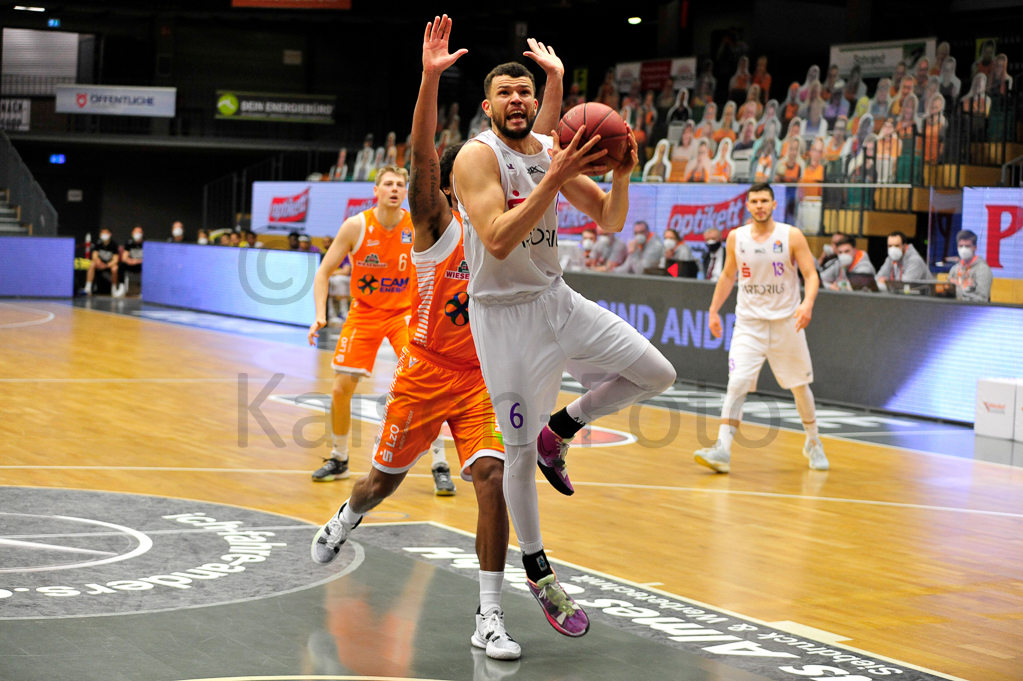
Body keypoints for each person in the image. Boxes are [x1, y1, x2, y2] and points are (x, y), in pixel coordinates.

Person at [311, 18, 555, 661]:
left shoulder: (511, 229)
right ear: (453, 192)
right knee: (379, 485)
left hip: (482, 379)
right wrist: (428, 80)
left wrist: (550, 86)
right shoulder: (437, 230)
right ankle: (348, 514)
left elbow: (538, 152)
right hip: (423, 374)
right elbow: (422, 158)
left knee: (494, 479)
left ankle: (490, 615)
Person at [452, 54, 675, 638]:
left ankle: (565, 428)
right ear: (488, 106)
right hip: (503, 321)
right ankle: (538, 568)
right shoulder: (477, 157)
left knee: (658, 372)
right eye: (506, 92)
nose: (518, 99)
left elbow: (608, 218)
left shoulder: (548, 151)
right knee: (516, 457)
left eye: (525, 90)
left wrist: (622, 171)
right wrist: (554, 172)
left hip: (556, 298)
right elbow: (497, 239)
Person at [305, 164, 454, 495]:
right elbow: (323, 272)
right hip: (365, 312)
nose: (395, 189)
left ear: (406, 191)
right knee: (341, 387)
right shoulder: (356, 226)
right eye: (388, 183)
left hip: (405, 314)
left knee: (426, 384)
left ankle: (440, 464)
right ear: (376, 191)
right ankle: (340, 457)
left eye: (401, 184)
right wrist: (319, 315)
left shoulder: (417, 226)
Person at [693, 183, 827, 473]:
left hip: (786, 323)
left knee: (800, 387)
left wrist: (807, 303)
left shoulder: (791, 235)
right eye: (754, 201)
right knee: (737, 383)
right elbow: (728, 275)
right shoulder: (736, 237)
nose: (759, 205)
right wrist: (713, 309)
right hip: (749, 324)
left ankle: (814, 442)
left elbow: (811, 275)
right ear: (748, 206)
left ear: (774, 204)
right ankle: (723, 450)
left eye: (764, 200)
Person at [947, 230, 992, 302]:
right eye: (961, 246)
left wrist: (961, 300)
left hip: (973, 311)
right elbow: (948, 293)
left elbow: (982, 299)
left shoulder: (983, 269)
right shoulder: (954, 269)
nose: (963, 249)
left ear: (975, 247)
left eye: (967, 246)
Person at [85, 228, 118, 296]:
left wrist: (107, 265)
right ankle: (88, 287)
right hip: (99, 264)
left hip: (109, 264)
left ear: (109, 234)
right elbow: (94, 256)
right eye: (102, 233)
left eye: (105, 233)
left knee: (115, 268)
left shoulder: (114, 244)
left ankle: (114, 289)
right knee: (91, 264)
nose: (104, 235)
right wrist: (98, 262)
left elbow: (115, 259)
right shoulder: (98, 243)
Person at [118, 226, 145, 296]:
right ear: (132, 233)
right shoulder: (129, 242)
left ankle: (144, 291)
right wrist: (129, 261)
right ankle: (121, 288)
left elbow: (149, 259)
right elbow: (124, 257)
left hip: (140, 265)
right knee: (121, 265)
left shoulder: (145, 243)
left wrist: (137, 261)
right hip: (131, 264)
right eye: (136, 232)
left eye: (139, 232)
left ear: (142, 234)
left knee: (148, 267)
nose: (137, 234)